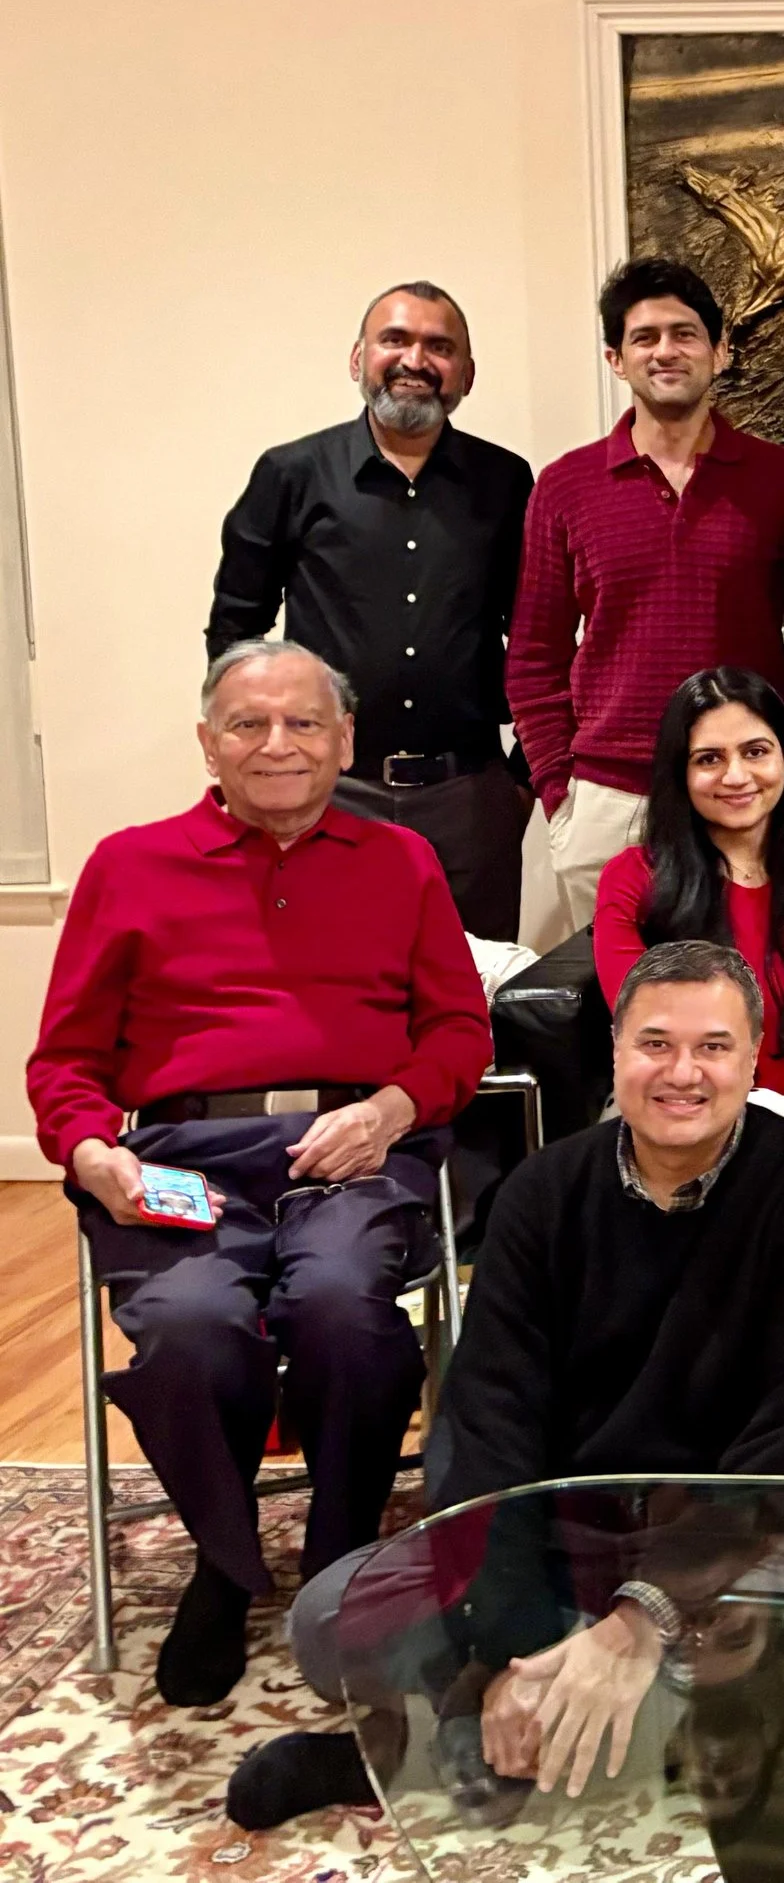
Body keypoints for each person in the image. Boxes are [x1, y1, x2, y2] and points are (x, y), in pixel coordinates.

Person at [222, 939, 784, 1828]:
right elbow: (487, 1424)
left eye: (713, 1047)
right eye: (654, 1043)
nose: (682, 1072)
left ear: (753, 1058)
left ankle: (406, 1751)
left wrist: (640, 1620)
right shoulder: (542, 1193)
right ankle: (523, 1709)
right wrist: (516, 1642)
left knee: (777, 1645)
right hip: (570, 1533)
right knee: (328, 1620)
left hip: (732, 1537)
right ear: (614, 1051)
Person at [26, 640, 491, 1707]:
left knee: (341, 1306)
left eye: (303, 723)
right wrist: (94, 1151)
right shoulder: (127, 865)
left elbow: (461, 1031)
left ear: (345, 740)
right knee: (190, 1324)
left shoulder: (401, 861)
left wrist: (390, 1108)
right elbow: (65, 1062)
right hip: (181, 1156)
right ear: (207, 741)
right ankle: (224, 1565)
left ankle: (337, 1564)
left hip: (353, 1151)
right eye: (248, 724)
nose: (277, 743)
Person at [208, 281, 536, 938]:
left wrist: (522, 777)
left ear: (466, 375)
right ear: (358, 359)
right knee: (323, 990)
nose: (416, 359)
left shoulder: (506, 481)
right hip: (328, 793)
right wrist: (254, 758)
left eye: (439, 347)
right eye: (396, 339)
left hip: (469, 799)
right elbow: (236, 629)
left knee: (473, 998)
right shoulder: (290, 473)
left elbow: (534, 632)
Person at [507, 257, 784, 932]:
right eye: (644, 337)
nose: (665, 351)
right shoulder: (565, 487)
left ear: (720, 350)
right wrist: (560, 791)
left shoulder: (783, 481)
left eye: (684, 334)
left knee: (749, 995)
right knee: (620, 1014)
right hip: (610, 799)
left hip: (750, 791)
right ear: (615, 359)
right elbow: (533, 652)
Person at [592, 667, 784, 1234]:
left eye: (755, 751)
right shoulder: (633, 881)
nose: (736, 776)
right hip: (675, 1109)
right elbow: (649, 1036)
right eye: (709, 759)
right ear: (679, 771)